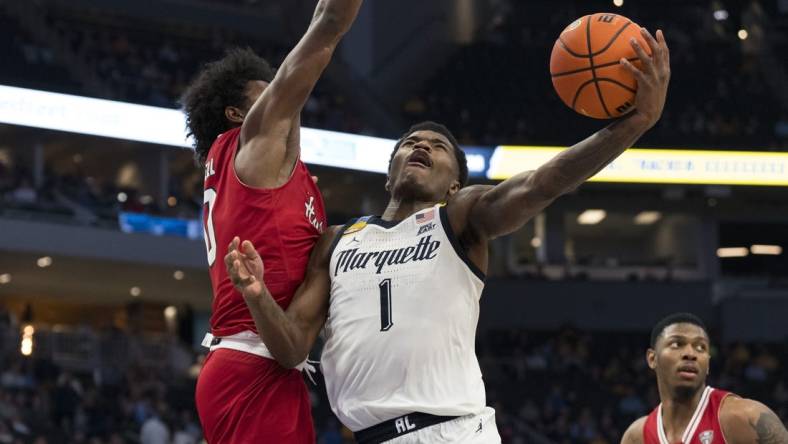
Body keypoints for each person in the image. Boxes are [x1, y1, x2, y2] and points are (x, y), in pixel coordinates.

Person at [227, 28, 671, 443]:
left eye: (437, 148)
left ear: (454, 186)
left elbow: (543, 183)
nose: (421, 146)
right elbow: (291, 349)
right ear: (389, 176)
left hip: (451, 431)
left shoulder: (459, 218)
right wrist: (257, 294)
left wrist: (634, 124)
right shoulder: (338, 240)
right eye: (411, 143)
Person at [179, 0, 364, 442]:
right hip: (252, 361)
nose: (286, 94)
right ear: (238, 115)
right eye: (269, 93)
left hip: (263, 360)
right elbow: (329, 25)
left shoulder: (266, 175)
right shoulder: (253, 146)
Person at [620, 313, 788, 444]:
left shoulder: (745, 417)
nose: (690, 354)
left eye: (700, 347)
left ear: (707, 364)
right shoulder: (636, 437)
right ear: (652, 358)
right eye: (677, 344)